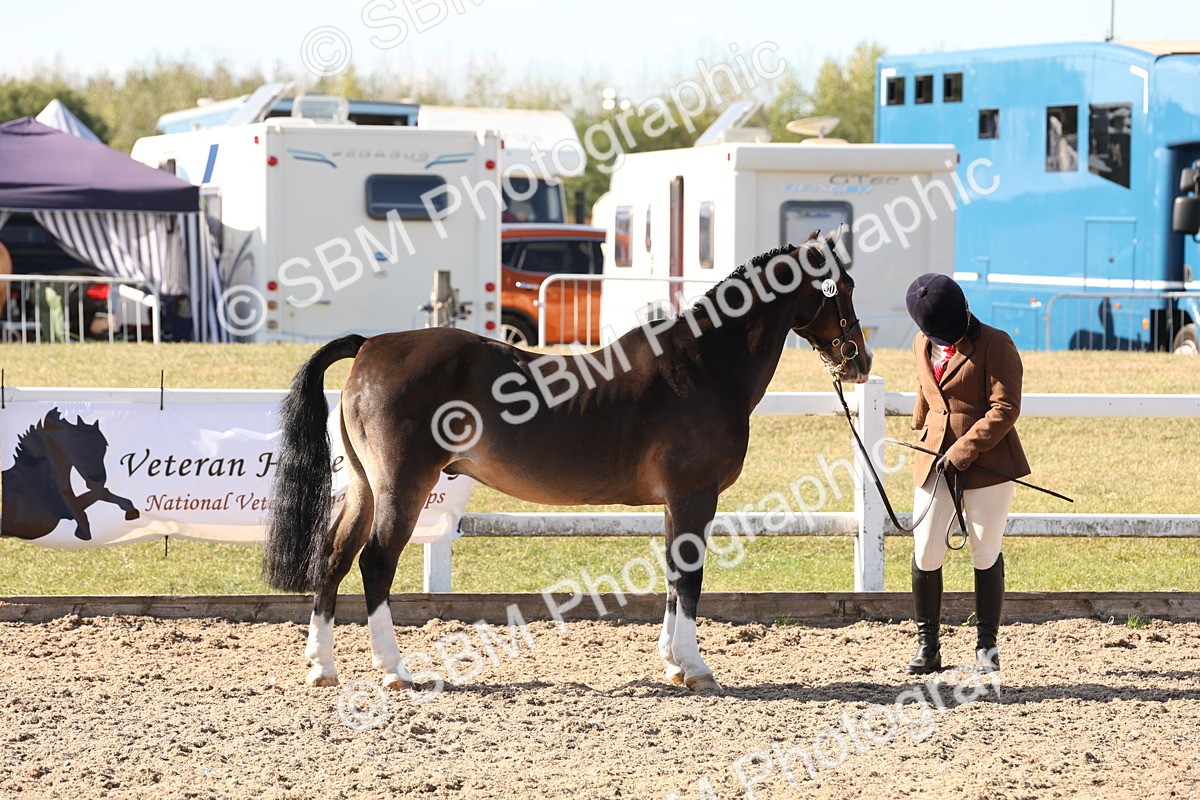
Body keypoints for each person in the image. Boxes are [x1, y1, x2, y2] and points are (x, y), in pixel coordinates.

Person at [904, 273, 1030, 674]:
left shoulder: (996, 343)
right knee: (925, 550)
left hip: (988, 462)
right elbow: (927, 391)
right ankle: (928, 646)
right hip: (932, 458)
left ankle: (986, 646)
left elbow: (1005, 408)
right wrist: (920, 427)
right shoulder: (922, 342)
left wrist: (962, 449)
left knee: (984, 549)